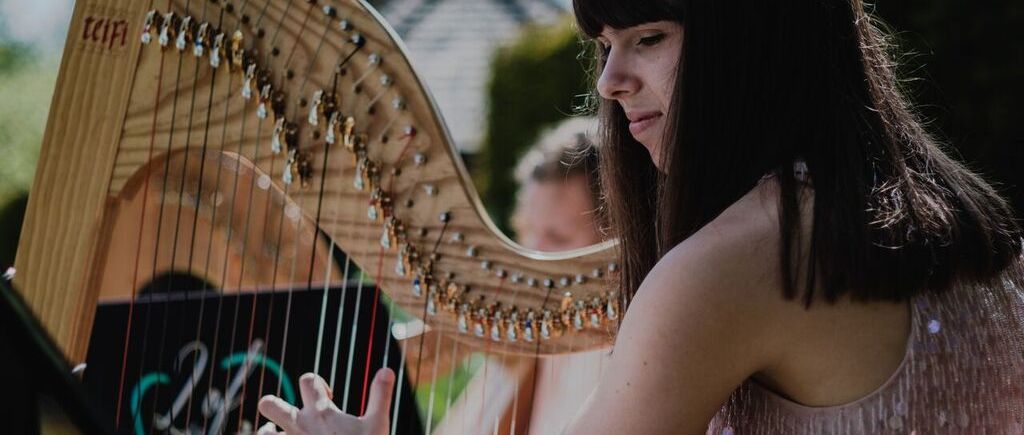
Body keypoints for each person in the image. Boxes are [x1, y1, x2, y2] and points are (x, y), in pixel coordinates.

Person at [256, 0, 1024, 433]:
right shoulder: (963, 224)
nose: (613, 81)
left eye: (649, 37)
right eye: (606, 45)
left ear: (754, 42)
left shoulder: (743, 261)